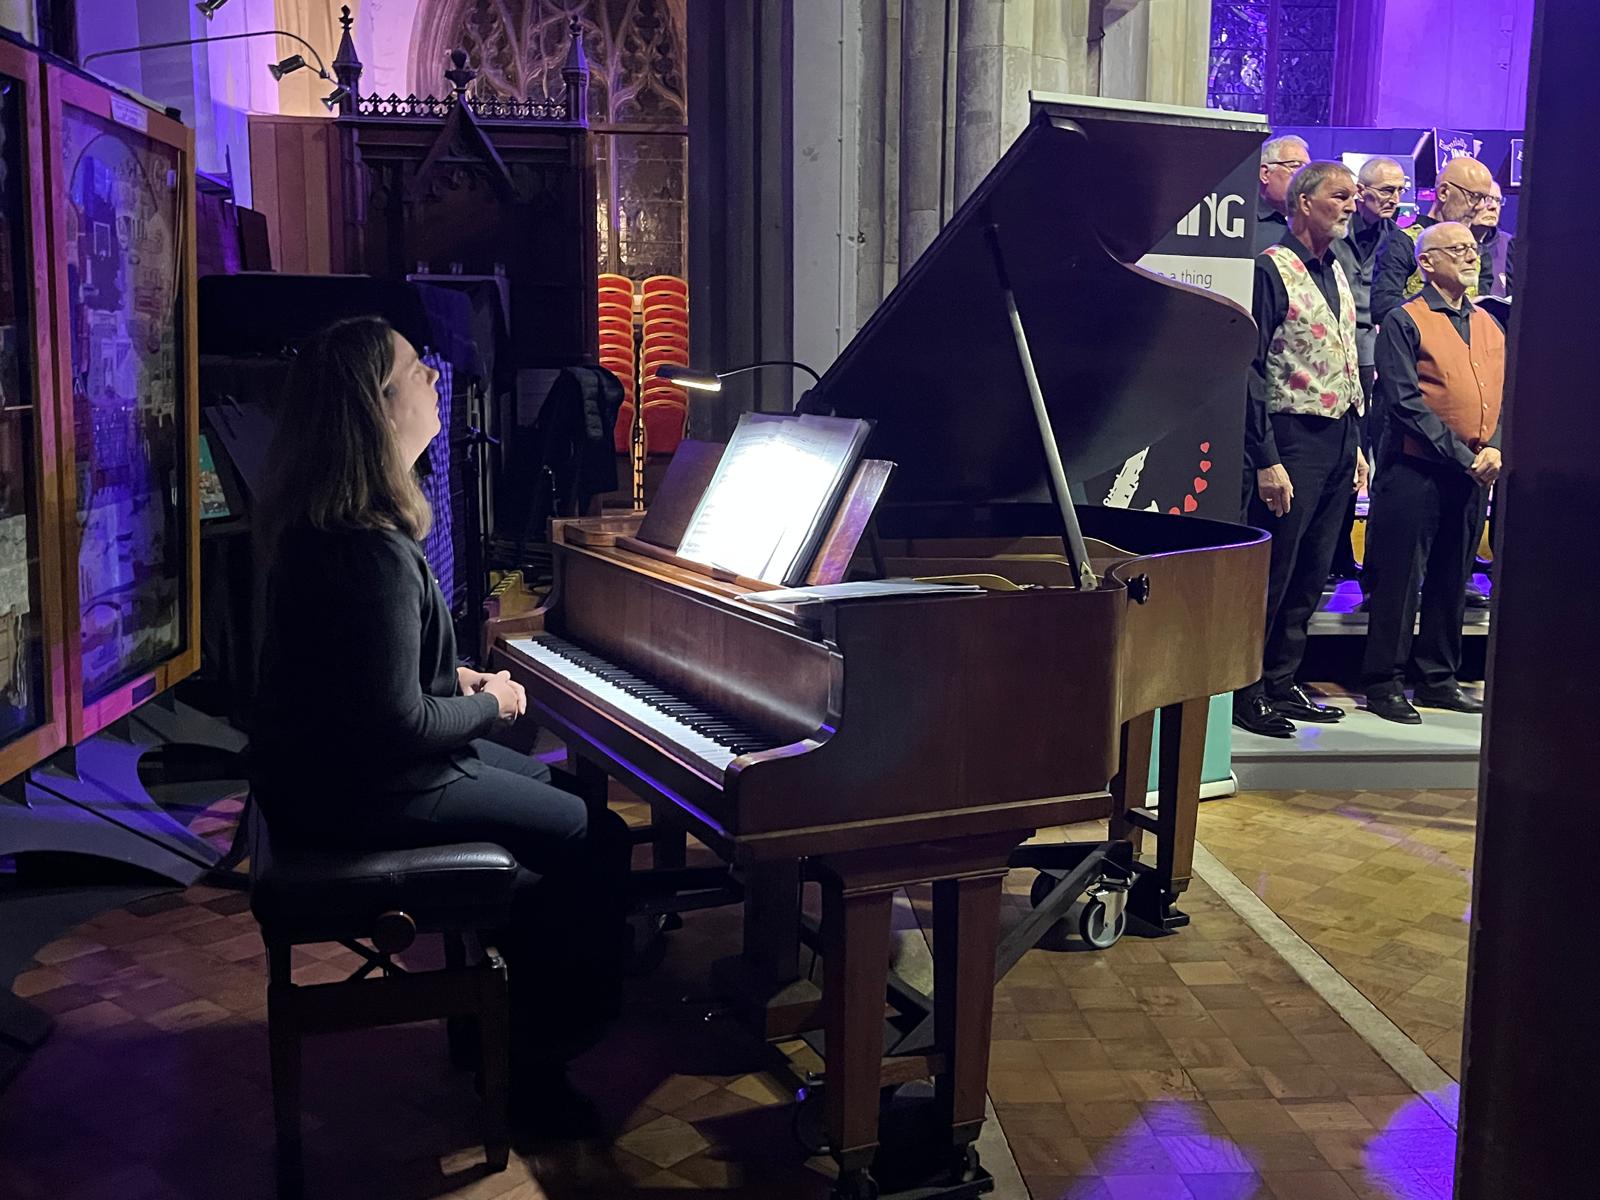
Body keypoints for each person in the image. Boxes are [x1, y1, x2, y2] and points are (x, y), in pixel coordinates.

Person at [248, 315, 631, 1115]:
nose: (433, 379)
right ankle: (538, 1062)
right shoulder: (367, 549)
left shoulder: (333, 526)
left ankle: (494, 1015)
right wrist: (488, 702)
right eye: (415, 370)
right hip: (369, 791)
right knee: (592, 835)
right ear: (378, 410)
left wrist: (445, 674)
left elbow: (358, 677)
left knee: (547, 791)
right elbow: (397, 726)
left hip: (336, 775)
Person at [1235, 162, 1369, 738]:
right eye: (1340, 195)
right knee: (1277, 568)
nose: (1350, 204)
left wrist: (1358, 443)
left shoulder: (1335, 268)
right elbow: (1251, 366)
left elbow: (1340, 354)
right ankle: (1248, 689)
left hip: (1339, 436)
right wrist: (1266, 457)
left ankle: (1283, 680)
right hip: (1292, 437)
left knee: (1312, 570)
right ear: (1305, 203)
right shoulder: (1272, 268)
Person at [1360, 224, 1503, 723]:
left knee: (1452, 576)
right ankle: (1384, 683)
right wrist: (1466, 456)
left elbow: (1509, 394)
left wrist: (1497, 448)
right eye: (1458, 249)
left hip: (1471, 474)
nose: (1471, 256)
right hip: (1414, 469)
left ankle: (1439, 679)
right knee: (1400, 580)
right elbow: (1403, 402)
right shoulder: (1405, 319)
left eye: (1473, 248)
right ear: (1426, 262)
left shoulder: (1489, 323)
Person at [1328, 155, 1407, 581]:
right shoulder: (1336, 234)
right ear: (1363, 191)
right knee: (1345, 456)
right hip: (1338, 352)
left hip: (1382, 356)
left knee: (1381, 457)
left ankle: (1374, 560)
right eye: (1387, 190)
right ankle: (1336, 551)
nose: (1395, 199)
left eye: (1400, 190)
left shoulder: (1399, 240)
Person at [1371, 155, 1497, 325]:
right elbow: (1383, 306)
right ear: (1444, 192)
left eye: (1485, 198)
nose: (1481, 206)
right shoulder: (1404, 241)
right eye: (1474, 196)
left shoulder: (1479, 251)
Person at [1253, 134, 1311, 254]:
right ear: (1265, 173)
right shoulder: (1244, 222)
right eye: (1296, 167)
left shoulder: (1311, 221)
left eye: (1308, 170)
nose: (1305, 178)